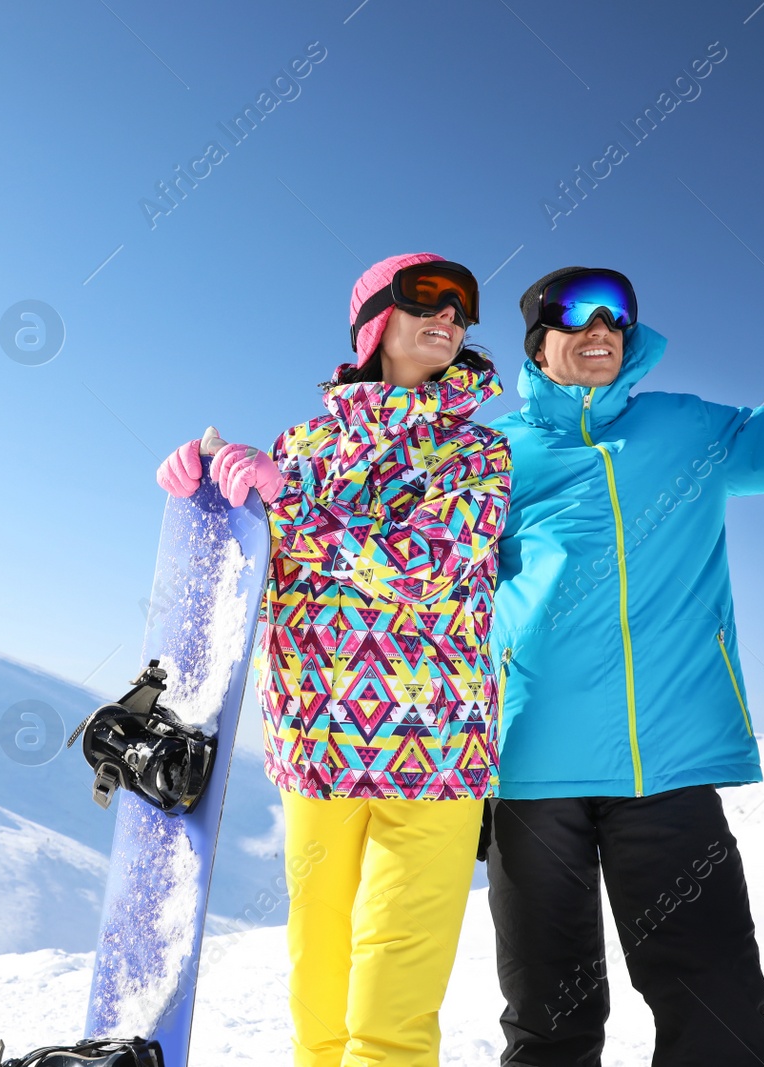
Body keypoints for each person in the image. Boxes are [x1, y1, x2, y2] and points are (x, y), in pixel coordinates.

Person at [477, 265, 764, 1065]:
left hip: (668, 764)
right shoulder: (490, 455)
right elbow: (419, 578)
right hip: (529, 772)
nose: (602, 329)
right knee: (548, 1020)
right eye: (577, 317)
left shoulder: (685, 430)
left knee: (715, 1003)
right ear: (538, 341)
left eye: (617, 316)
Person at [156, 253, 513, 1067]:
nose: (452, 317)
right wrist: (204, 496)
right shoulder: (303, 443)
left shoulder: (477, 452)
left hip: (434, 757)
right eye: (430, 298)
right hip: (316, 755)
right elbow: (263, 571)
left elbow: (429, 567)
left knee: (388, 1018)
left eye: (463, 308)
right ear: (373, 321)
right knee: (318, 1004)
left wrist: (288, 501)